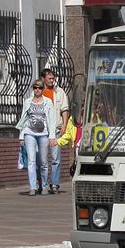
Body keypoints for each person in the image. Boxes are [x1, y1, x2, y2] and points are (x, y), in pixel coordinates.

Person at [17, 80, 57, 196]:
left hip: (43, 134)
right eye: (35, 88)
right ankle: (32, 187)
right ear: (33, 89)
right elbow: (24, 119)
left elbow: (51, 120)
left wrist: (52, 136)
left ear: (42, 89)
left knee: (44, 162)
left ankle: (44, 185)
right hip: (30, 133)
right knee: (31, 161)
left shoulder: (48, 102)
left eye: (39, 87)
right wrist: (21, 136)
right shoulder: (28, 102)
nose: (37, 90)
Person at [42, 67, 70, 195]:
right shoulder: (39, 92)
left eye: (53, 78)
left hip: (56, 129)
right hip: (42, 130)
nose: (52, 81)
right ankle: (43, 183)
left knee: (55, 158)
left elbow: (64, 109)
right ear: (43, 79)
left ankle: (55, 184)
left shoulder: (59, 92)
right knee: (42, 159)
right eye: (50, 78)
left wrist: (64, 124)